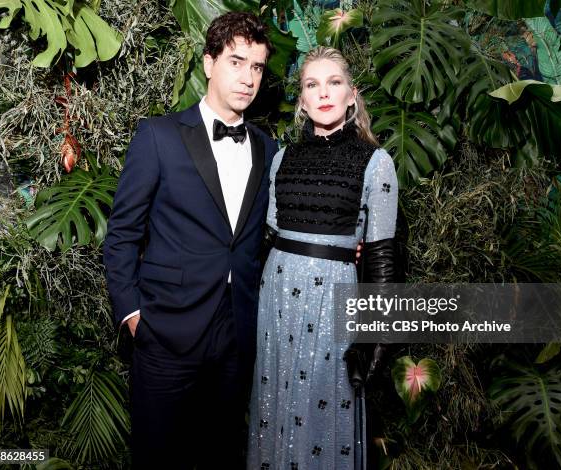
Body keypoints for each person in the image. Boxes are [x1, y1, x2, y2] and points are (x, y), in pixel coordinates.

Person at [103, 12, 277, 469]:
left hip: (236, 339)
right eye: (236, 62)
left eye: (256, 67)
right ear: (208, 63)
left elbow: (271, 231)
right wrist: (133, 314)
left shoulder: (267, 148)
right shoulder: (159, 136)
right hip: (165, 335)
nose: (247, 78)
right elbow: (121, 233)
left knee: (220, 456)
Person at [247, 46, 398, 470]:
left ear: (352, 95)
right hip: (276, 299)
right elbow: (269, 235)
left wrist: (376, 338)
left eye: (334, 83)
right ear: (302, 100)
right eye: (312, 85)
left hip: (334, 301)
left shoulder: (377, 162)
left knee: (323, 411)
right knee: (273, 406)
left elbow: (383, 255)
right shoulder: (282, 158)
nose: (324, 93)